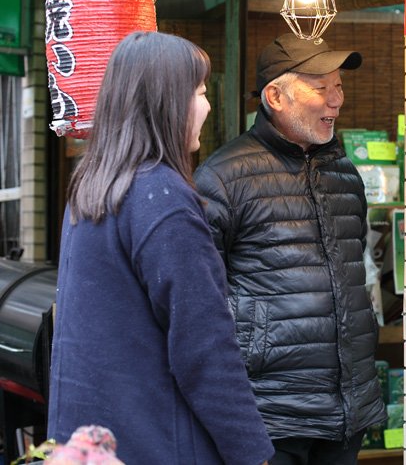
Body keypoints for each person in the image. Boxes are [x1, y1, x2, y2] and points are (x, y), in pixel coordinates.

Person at [48, 31, 274, 465]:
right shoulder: (162, 197)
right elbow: (205, 346)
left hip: (93, 446)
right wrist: (251, 452)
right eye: (201, 92)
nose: (208, 105)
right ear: (168, 101)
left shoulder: (93, 185)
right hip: (157, 442)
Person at [193, 33, 386, 464]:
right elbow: (199, 303)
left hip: (346, 414)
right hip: (270, 417)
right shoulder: (222, 178)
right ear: (275, 96)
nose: (336, 100)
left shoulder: (344, 173)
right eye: (321, 88)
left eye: (339, 86)